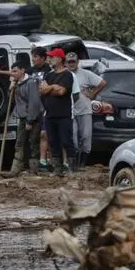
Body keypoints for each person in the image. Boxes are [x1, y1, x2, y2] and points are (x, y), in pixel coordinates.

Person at [65, 52, 110, 171]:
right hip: (69, 110)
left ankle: (83, 164)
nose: (71, 64)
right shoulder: (64, 75)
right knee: (73, 137)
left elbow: (102, 83)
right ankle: (73, 165)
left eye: (73, 61)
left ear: (77, 62)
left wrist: (93, 94)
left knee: (85, 136)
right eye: (69, 62)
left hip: (84, 109)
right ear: (65, 63)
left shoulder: (86, 74)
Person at [39, 48, 79, 176]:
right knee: (53, 142)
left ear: (60, 59)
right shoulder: (49, 75)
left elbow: (62, 91)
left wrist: (50, 87)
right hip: (50, 114)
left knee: (66, 140)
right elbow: (41, 90)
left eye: (52, 57)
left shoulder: (67, 75)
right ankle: (58, 169)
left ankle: (71, 167)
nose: (49, 59)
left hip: (64, 114)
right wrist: (53, 88)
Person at [8, 61, 43, 175]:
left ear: (22, 70)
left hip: (33, 117)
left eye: (15, 71)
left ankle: (34, 170)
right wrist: (11, 88)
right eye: (12, 71)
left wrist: (30, 120)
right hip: (23, 116)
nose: (13, 74)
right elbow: (12, 100)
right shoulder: (17, 83)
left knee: (33, 142)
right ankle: (15, 169)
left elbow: (34, 102)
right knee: (19, 142)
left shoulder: (31, 82)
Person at [29, 47, 53, 173]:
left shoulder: (49, 71)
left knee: (45, 134)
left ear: (43, 58)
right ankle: (36, 163)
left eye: (36, 56)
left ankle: (49, 161)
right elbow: (19, 74)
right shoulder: (30, 70)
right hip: (33, 108)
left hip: (45, 107)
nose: (33, 59)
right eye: (32, 56)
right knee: (34, 137)